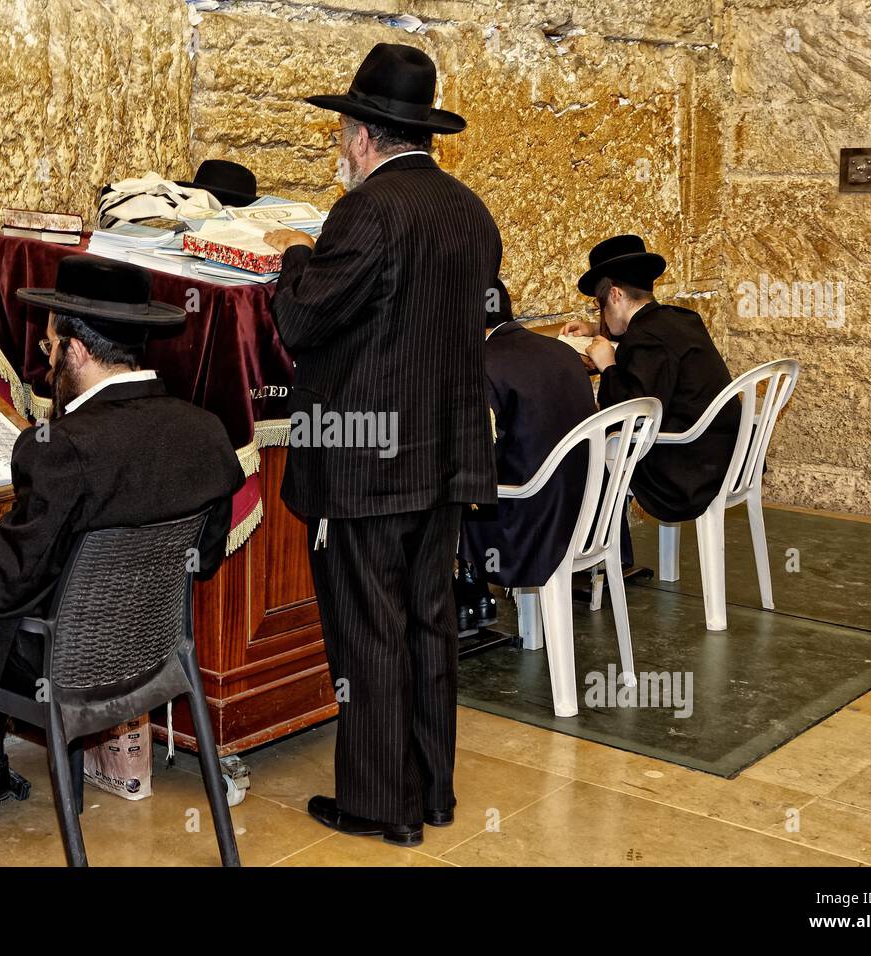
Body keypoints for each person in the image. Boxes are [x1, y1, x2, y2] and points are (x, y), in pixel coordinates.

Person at [0, 255, 245, 826]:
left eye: (48, 348)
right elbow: (203, 557)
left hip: (57, 663)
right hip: (154, 657)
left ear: (77, 350)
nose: (46, 363)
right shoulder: (206, 432)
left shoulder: (63, 447)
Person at [263, 42, 502, 846]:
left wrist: (294, 257)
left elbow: (302, 320)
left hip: (367, 460)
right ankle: (432, 793)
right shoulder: (469, 210)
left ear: (364, 135)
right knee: (429, 626)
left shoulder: (366, 211)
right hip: (443, 457)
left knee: (370, 631)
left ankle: (377, 806)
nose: (341, 149)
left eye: (342, 135)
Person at [562, 234, 740, 522]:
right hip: (725, 456)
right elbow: (654, 352)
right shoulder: (679, 319)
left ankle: (596, 554)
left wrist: (607, 365)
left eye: (600, 307)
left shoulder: (645, 339)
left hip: (684, 473)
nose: (602, 314)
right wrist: (598, 327)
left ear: (615, 295)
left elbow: (628, 414)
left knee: (586, 450)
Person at [459, 278, 598, 620]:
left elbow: (478, 458)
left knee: (448, 492)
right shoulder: (562, 351)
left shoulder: (481, 364)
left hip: (528, 529)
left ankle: (465, 597)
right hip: (587, 515)